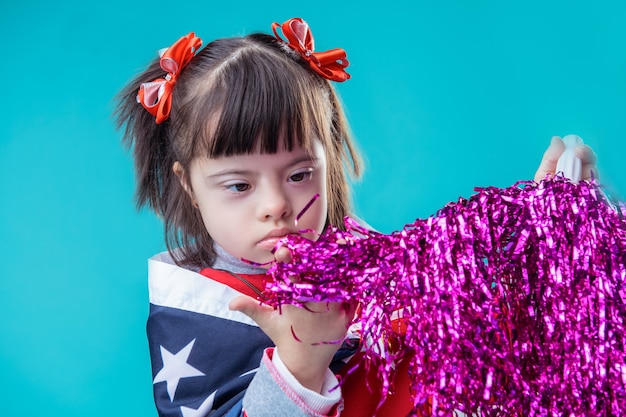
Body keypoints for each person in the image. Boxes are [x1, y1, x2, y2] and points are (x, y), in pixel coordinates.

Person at [115, 17, 599, 417]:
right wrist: (300, 365)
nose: (277, 205)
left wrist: (545, 241)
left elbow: (457, 343)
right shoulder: (195, 315)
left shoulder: (357, 254)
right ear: (189, 187)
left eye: (300, 173)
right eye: (240, 185)